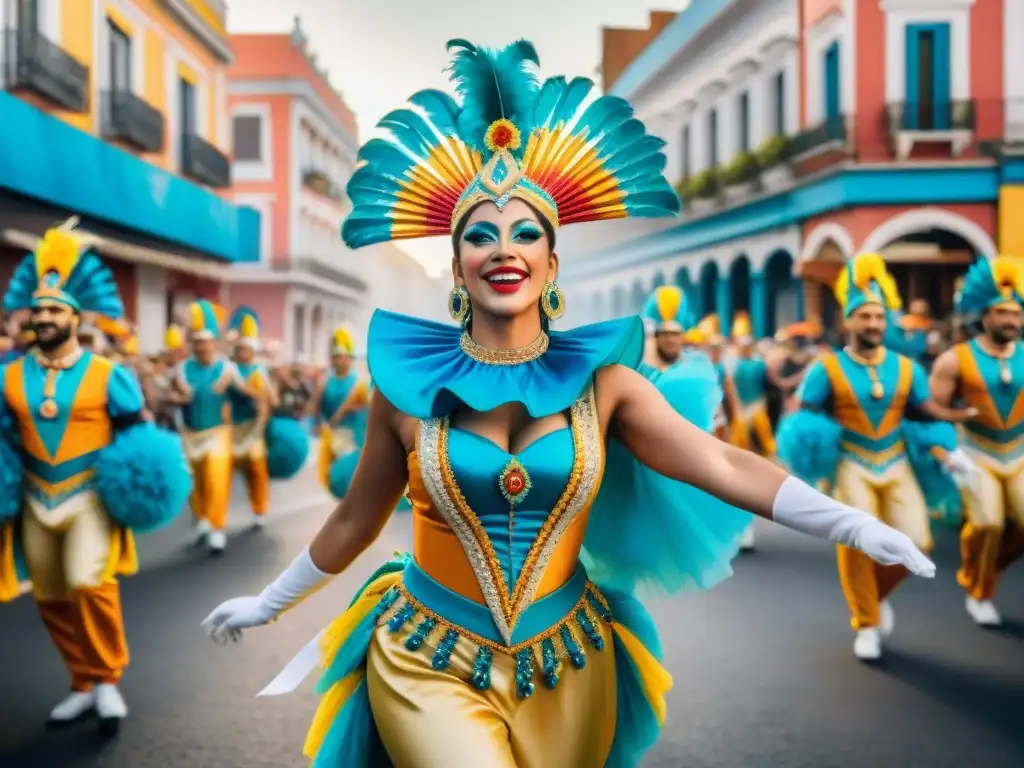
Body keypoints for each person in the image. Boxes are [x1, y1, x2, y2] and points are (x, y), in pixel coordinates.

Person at [201, 40, 936, 767]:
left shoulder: (606, 386)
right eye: (480, 235)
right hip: (426, 654)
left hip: (570, 664)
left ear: (552, 261)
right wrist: (269, 601)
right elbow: (355, 518)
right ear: (457, 264)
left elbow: (718, 460)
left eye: (526, 233)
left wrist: (852, 523)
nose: (503, 248)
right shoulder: (403, 391)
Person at [0, 219, 189, 731]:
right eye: (37, 309)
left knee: (89, 582)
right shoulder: (9, 376)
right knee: (49, 595)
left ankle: (107, 678)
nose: (43, 316)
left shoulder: (110, 375)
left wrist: (133, 487)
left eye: (54, 309)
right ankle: (81, 680)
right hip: (36, 496)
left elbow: (140, 435)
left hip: (89, 497)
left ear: (75, 318)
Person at [778, 253, 976, 662]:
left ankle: (875, 597)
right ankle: (866, 621)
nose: (872, 324)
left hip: (896, 460)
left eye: (879, 316)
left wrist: (949, 445)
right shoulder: (825, 369)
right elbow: (803, 421)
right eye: (864, 316)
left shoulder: (907, 369)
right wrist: (811, 457)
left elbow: (922, 415)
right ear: (847, 321)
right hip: (851, 462)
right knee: (855, 543)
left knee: (918, 540)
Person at [929, 257, 1024, 627]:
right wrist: (944, 452)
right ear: (983, 315)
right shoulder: (954, 360)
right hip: (976, 452)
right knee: (987, 523)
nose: (1011, 321)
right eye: (1002, 312)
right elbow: (931, 412)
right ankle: (979, 589)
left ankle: (988, 566)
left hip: (1018, 453)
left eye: (1016, 313)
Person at [173, 300, 250, 554]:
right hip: (191, 434)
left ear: (214, 343)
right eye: (198, 343)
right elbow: (167, 397)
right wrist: (174, 397)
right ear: (193, 345)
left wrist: (240, 388)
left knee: (217, 480)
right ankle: (203, 519)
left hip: (218, 433)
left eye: (207, 342)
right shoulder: (181, 369)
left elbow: (245, 395)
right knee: (196, 484)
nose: (203, 347)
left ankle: (217, 529)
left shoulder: (227, 368)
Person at [227, 307, 276, 528]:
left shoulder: (259, 371)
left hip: (253, 429)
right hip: (229, 428)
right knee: (222, 473)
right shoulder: (228, 369)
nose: (243, 352)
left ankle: (260, 510)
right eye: (240, 348)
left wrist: (263, 394)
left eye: (247, 348)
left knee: (256, 470)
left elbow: (272, 400)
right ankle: (213, 515)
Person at [309, 327, 370, 490]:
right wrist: (315, 421)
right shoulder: (325, 381)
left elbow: (370, 408)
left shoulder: (359, 382)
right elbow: (315, 407)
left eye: (343, 357)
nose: (340, 361)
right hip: (332, 434)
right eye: (336, 357)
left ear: (350, 359)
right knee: (330, 480)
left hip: (354, 436)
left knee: (354, 478)